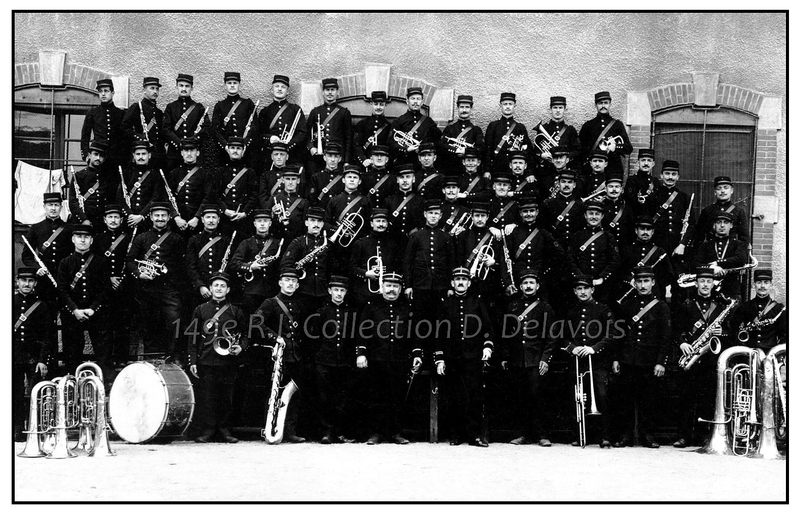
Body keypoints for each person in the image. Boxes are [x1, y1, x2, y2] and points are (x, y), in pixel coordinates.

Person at [672, 267, 735, 448]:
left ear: (713, 284)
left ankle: (702, 436)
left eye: (709, 281)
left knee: (707, 399)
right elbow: (675, 329)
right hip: (690, 355)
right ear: (697, 283)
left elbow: (731, 334)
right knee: (686, 399)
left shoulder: (722, 307)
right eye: (702, 281)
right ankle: (683, 436)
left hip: (710, 359)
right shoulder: (686, 305)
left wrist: (721, 332)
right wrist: (682, 343)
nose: (705, 284)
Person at [435, 266, 495, 447]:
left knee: (474, 396)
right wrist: (439, 358)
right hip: (452, 356)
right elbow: (438, 332)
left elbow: (488, 328)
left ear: (469, 283)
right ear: (452, 283)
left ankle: (474, 435)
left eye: (464, 280)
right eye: (457, 280)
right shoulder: (445, 302)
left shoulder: (476, 301)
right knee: (454, 396)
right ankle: (456, 434)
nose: (460, 282)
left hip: (473, 356)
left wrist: (487, 347)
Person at [356, 272, 418, 444]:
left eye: (395, 286)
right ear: (382, 287)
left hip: (399, 358)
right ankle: (376, 434)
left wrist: (416, 354)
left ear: (400, 289)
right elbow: (363, 331)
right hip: (376, 358)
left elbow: (415, 333)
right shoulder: (371, 305)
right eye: (388, 286)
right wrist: (361, 353)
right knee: (376, 397)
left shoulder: (407, 307)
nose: (392, 290)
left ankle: (396, 433)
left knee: (397, 397)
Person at [613, 266, 671, 448]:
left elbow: (666, 337)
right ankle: (626, 436)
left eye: (646, 281)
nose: (643, 285)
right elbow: (619, 333)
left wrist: (661, 361)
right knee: (625, 401)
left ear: (653, 282)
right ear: (634, 283)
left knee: (649, 401)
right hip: (628, 360)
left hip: (649, 361)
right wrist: (616, 358)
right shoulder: (627, 305)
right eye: (639, 281)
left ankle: (648, 436)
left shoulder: (661, 307)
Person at [188, 271, 248, 444]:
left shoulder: (236, 311)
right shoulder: (200, 309)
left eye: (223, 286)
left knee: (227, 397)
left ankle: (224, 429)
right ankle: (209, 430)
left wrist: (240, 347)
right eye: (216, 285)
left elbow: (245, 336)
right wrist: (192, 360)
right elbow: (192, 337)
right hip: (206, 358)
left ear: (228, 289)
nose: (219, 288)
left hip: (228, 361)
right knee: (208, 397)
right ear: (211, 288)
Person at [254, 267, 309, 443]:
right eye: (287, 280)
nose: (290, 284)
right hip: (278, 355)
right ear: (280, 283)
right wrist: (274, 337)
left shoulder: (301, 304)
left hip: (297, 355)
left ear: (298, 284)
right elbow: (256, 322)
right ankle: (270, 428)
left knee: (293, 395)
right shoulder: (270, 303)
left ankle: (289, 431)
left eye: (294, 281)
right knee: (273, 393)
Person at [503, 269, 557, 447]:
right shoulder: (512, 306)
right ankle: (523, 434)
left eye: (531, 283)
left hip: (536, 360)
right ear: (520, 286)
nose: (528, 286)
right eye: (525, 283)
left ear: (538, 286)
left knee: (538, 398)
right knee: (520, 398)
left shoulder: (545, 307)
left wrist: (545, 358)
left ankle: (542, 435)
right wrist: (505, 356)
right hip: (517, 359)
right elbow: (506, 334)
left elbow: (551, 336)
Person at [561, 274, 617, 448]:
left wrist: (595, 348)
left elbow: (611, 334)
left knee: (601, 395)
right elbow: (562, 336)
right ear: (574, 291)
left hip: (598, 362)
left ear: (592, 290)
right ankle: (579, 435)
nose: (583, 292)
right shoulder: (570, 311)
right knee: (577, 398)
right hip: (578, 361)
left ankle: (605, 436)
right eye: (579, 289)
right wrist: (572, 348)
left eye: (586, 288)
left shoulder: (603, 309)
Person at [125, 202, 186, 360]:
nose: (160, 219)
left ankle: (173, 357)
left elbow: (182, 265)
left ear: (168, 217)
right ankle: (152, 358)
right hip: (147, 289)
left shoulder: (176, 238)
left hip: (169, 290)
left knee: (175, 321)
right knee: (149, 324)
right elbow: (130, 261)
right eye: (157, 216)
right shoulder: (142, 238)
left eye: (163, 216)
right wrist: (140, 274)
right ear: (151, 217)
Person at [309, 275, 359, 443]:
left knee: (343, 398)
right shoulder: (321, 312)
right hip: (324, 360)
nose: (339, 293)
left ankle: (340, 432)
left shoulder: (352, 313)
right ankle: (327, 432)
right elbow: (314, 338)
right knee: (325, 398)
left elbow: (356, 336)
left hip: (345, 360)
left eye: (342, 290)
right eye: (336, 290)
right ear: (329, 291)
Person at [57, 223, 110, 373]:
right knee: (72, 354)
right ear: (73, 239)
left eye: (86, 237)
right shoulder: (65, 263)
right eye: (79, 237)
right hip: (73, 314)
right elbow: (62, 290)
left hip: (96, 314)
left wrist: (93, 309)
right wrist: (74, 310)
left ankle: (103, 386)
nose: (82, 240)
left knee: (102, 354)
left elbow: (105, 290)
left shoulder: (100, 262)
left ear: (91, 240)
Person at [13, 267, 53, 441]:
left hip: (34, 357)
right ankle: (17, 429)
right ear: (17, 282)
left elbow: (47, 335)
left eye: (30, 281)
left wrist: (43, 360)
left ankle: (35, 428)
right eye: (23, 280)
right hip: (13, 355)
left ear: (35, 283)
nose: (26, 284)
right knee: (14, 393)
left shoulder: (41, 305)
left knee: (36, 393)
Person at [92, 204, 133, 366]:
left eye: (116, 217)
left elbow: (132, 261)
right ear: (104, 220)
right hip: (105, 288)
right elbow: (94, 263)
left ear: (122, 219)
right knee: (105, 326)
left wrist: (122, 279)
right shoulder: (98, 239)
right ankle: (106, 362)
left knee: (123, 325)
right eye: (110, 217)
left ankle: (122, 360)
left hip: (124, 287)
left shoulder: (129, 238)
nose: (114, 220)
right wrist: (108, 278)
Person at [566, 200, 621, 306]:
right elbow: (570, 259)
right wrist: (580, 277)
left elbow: (614, 260)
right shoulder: (577, 236)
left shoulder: (608, 237)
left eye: (597, 214)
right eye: (590, 213)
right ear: (585, 215)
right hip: (581, 285)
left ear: (602, 216)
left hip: (602, 286)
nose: (594, 217)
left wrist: (602, 277)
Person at [22, 192, 72, 305]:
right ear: (44, 207)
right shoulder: (36, 228)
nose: (53, 208)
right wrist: (37, 268)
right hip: (44, 280)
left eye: (56, 205)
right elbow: (26, 257)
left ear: (61, 207)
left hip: (65, 278)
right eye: (50, 205)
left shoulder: (69, 229)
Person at [347, 208, 402, 310]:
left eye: (383, 221)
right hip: (364, 292)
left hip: (386, 292)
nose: (381, 224)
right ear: (372, 224)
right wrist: (366, 273)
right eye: (378, 221)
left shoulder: (393, 244)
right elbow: (352, 268)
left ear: (387, 224)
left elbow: (398, 267)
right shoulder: (361, 243)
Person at [280, 206, 331, 313]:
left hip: (322, 292)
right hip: (303, 292)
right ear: (306, 222)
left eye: (319, 221)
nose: (316, 224)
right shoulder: (298, 242)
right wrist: (298, 270)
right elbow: (285, 265)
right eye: (312, 220)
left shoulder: (327, 243)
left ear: (322, 224)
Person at [161, 137, 214, 238]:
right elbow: (167, 197)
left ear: (197, 153)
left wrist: (197, 217)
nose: (189, 154)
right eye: (186, 150)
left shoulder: (205, 174)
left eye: (192, 150)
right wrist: (176, 217)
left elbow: (208, 197)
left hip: (196, 222)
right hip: (177, 221)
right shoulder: (174, 173)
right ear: (182, 153)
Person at [691, 211, 748, 300]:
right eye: (719, 222)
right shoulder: (706, 245)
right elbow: (695, 264)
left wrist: (718, 263)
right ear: (714, 226)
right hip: (709, 291)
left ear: (731, 225)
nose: (722, 225)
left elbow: (741, 259)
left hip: (731, 290)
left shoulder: (738, 244)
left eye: (726, 222)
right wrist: (711, 268)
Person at [185, 205, 233, 308]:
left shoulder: (226, 240)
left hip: (221, 288)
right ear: (202, 220)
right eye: (208, 217)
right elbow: (191, 266)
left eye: (214, 217)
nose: (211, 220)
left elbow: (230, 264)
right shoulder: (194, 240)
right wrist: (200, 286)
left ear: (218, 220)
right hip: (200, 289)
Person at [730, 269, 787, 350]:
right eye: (759, 282)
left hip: (769, 355)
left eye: (766, 282)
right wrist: (742, 347)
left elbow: (784, 336)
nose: (762, 286)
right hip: (748, 352)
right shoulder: (744, 307)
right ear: (754, 285)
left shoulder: (779, 309)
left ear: (771, 285)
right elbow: (733, 330)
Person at [578, 91, 632, 176]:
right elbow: (580, 149)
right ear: (595, 105)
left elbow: (629, 148)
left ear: (610, 104)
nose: (603, 106)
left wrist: (615, 147)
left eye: (606, 103)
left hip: (613, 170)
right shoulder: (588, 126)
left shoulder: (617, 125)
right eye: (600, 103)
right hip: (592, 171)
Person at [258, 74, 307, 168]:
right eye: (277, 86)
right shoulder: (265, 111)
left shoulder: (296, 110)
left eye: (283, 87)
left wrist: (289, 144)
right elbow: (259, 133)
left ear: (287, 91)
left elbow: (302, 132)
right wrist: (270, 138)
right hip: (270, 156)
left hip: (292, 156)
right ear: (272, 90)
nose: (279, 89)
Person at [81, 78, 126, 180]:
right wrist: (86, 155)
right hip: (99, 156)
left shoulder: (121, 113)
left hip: (116, 158)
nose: (103, 94)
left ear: (112, 93)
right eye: (100, 91)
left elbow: (125, 137)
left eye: (106, 91)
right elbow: (85, 135)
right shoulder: (93, 113)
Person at [214, 136, 258, 238]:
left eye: (238, 148)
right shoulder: (221, 171)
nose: (235, 151)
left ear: (243, 151)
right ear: (228, 150)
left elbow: (254, 195)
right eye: (233, 148)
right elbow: (215, 194)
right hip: (225, 219)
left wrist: (245, 212)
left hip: (244, 219)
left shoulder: (249, 172)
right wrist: (225, 210)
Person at [162, 74, 208, 171]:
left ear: (192, 88)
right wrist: (179, 143)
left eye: (187, 86)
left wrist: (193, 141)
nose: (184, 88)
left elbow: (206, 128)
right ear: (176, 87)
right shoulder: (170, 107)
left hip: (193, 152)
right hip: (174, 153)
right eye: (181, 85)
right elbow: (166, 129)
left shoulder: (199, 108)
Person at [210, 72, 258, 163]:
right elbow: (216, 130)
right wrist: (225, 146)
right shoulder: (220, 106)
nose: (232, 85)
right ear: (225, 85)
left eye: (235, 83)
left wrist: (245, 145)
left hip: (245, 151)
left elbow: (254, 126)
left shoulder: (248, 104)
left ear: (239, 84)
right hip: (226, 152)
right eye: (229, 83)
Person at [117, 140, 162, 233]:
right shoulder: (126, 173)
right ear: (133, 155)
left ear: (149, 155)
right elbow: (120, 197)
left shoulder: (155, 175)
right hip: (129, 221)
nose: (141, 157)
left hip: (147, 220)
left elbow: (156, 197)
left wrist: (142, 215)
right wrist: (129, 215)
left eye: (143, 154)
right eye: (138, 154)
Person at [307, 78, 353, 169]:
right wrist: (311, 147)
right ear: (323, 92)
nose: (330, 93)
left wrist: (346, 161)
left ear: (337, 92)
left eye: (333, 90)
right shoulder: (315, 111)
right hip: (318, 157)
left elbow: (348, 138)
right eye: (327, 90)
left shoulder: (344, 112)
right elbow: (306, 133)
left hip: (337, 157)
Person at [390, 86, 442, 165]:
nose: (415, 102)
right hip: (405, 162)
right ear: (407, 101)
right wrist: (406, 149)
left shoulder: (428, 121)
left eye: (418, 99)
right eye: (413, 99)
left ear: (422, 102)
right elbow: (391, 143)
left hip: (424, 163)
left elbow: (438, 141)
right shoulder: (399, 121)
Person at [483, 92, 532, 174]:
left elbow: (528, 151)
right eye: (505, 104)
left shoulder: (520, 127)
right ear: (500, 105)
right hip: (497, 168)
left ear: (514, 106)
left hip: (515, 170)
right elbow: (487, 149)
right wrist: (487, 170)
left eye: (510, 104)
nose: (508, 107)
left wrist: (529, 172)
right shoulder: (493, 126)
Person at [121, 76, 164, 167]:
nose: (155, 91)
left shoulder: (159, 112)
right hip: (142, 151)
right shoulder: (136, 107)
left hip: (156, 154)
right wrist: (141, 138)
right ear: (144, 90)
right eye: (152, 88)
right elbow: (124, 128)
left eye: (157, 89)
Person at [67, 139, 110, 229]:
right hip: (84, 222)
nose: (98, 158)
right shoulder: (79, 176)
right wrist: (83, 219)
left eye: (101, 156)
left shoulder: (106, 178)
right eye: (95, 154)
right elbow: (73, 202)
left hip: (101, 223)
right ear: (89, 155)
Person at [695, 175, 750, 244]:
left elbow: (744, 238)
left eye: (726, 188)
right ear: (715, 192)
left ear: (732, 190)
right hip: (711, 251)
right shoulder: (707, 211)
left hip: (731, 251)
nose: (722, 191)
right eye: (719, 188)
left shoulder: (739, 211)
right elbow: (699, 236)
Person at [438, 94, 485, 174]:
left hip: (470, 171)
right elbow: (442, 145)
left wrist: (465, 151)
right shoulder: (450, 129)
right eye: (462, 107)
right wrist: (456, 150)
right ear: (457, 108)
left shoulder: (476, 130)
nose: (464, 110)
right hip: (452, 169)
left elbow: (480, 148)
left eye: (467, 107)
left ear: (471, 109)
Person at [533, 96, 581, 164]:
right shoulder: (543, 128)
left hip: (565, 167)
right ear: (550, 109)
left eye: (560, 108)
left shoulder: (570, 129)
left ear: (565, 109)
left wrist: (566, 158)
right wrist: (542, 155)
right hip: (548, 167)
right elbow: (536, 151)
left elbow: (577, 150)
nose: (558, 110)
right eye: (555, 107)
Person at [354, 91, 392, 167]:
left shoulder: (389, 126)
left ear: (385, 105)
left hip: (382, 164)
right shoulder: (362, 124)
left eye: (381, 105)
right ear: (371, 104)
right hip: (365, 164)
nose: (378, 107)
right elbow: (356, 145)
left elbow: (390, 147)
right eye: (375, 104)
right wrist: (363, 159)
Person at [601, 172, 635, 249]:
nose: (614, 189)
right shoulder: (601, 207)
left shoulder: (627, 209)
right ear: (605, 189)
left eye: (617, 187)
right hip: (605, 248)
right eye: (611, 186)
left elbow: (631, 231)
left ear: (621, 189)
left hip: (623, 248)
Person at [308, 141, 346, 208]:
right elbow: (312, 199)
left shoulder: (344, 177)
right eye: (330, 156)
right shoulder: (316, 177)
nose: (333, 160)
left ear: (340, 159)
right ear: (324, 157)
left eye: (336, 156)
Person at [623, 148, 660, 216]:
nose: (646, 163)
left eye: (649, 161)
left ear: (653, 164)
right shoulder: (632, 181)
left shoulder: (656, 182)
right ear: (638, 162)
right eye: (643, 160)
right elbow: (629, 203)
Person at [360, 144, 395, 209]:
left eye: (382, 156)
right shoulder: (364, 177)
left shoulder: (392, 179)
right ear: (371, 159)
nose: (379, 158)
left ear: (387, 159)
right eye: (376, 155)